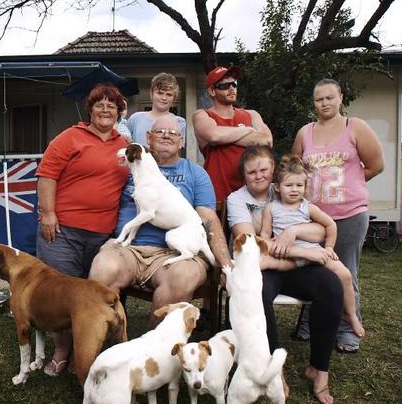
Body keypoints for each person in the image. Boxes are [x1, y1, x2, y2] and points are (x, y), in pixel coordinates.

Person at [226, 145, 343, 404]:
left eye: (264, 169)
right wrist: (301, 248)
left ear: (273, 171)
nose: (259, 176)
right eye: (251, 171)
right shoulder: (237, 199)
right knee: (259, 293)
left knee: (331, 286)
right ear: (244, 175)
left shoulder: (288, 185)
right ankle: (274, 366)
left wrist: (293, 232)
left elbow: (322, 231)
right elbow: (249, 241)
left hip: (296, 265)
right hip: (265, 265)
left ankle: (319, 369)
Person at [89, 115, 232, 329]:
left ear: (182, 141)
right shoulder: (128, 169)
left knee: (183, 277)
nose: (166, 136)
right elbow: (99, 199)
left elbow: (209, 219)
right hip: (128, 250)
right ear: (148, 138)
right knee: (102, 268)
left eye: (173, 133)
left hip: (173, 253)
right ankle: (106, 342)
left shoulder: (195, 173)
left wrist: (226, 264)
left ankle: (152, 350)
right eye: (160, 132)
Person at [35, 84, 130, 377]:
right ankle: (63, 353)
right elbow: (47, 176)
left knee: (99, 295)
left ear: (119, 112)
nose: (105, 110)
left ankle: (100, 353)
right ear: (89, 110)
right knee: (64, 295)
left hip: (104, 236)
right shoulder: (69, 138)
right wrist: (48, 213)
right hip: (63, 232)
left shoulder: (125, 145)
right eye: (99, 105)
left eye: (111, 106)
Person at [293, 78, 384, 354]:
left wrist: (347, 185)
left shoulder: (355, 127)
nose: (325, 103)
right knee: (312, 268)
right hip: (313, 218)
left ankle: (347, 330)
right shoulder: (304, 133)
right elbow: (295, 172)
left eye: (330, 98)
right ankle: (309, 322)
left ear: (340, 97)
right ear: (314, 102)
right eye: (319, 99)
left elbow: (376, 165)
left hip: (349, 214)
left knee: (345, 271)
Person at [260, 154, 365, 338]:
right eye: (289, 185)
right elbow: (264, 236)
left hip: (313, 253)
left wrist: (329, 248)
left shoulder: (307, 207)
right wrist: (268, 248)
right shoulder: (271, 208)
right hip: (287, 254)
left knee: (345, 275)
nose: (294, 190)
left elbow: (330, 224)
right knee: (263, 263)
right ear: (277, 187)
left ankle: (351, 315)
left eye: (299, 185)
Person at [193, 65, 273, 204]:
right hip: (218, 198)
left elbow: (266, 140)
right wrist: (248, 130)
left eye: (234, 84)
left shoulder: (251, 114)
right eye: (224, 86)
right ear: (212, 91)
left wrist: (225, 136)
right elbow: (214, 136)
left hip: (253, 196)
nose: (231, 89)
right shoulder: (203, 115)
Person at [127, 73, 186, 146]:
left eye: (169, 95)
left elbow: (177, 151)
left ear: (174, 99)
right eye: (160, 93)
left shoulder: (180, 122)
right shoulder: (135, 118)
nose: (164, 98)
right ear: (152, 94)